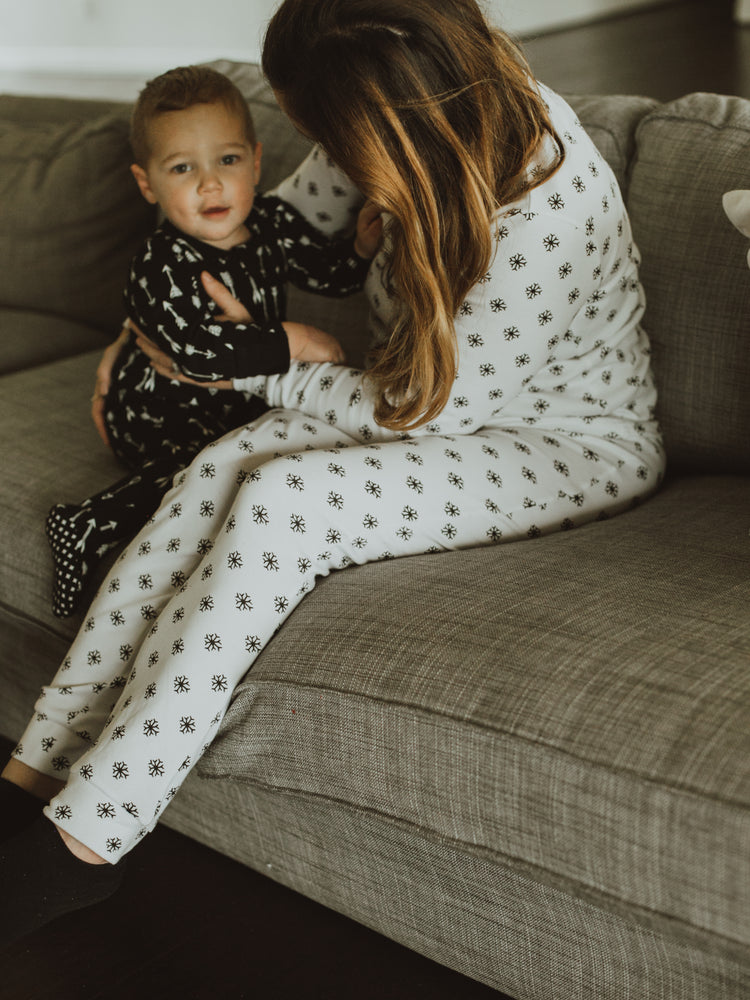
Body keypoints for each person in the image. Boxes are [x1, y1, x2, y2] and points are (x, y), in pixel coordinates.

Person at [0, 0, 665, 943]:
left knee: (285, 498)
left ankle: (87, 842)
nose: (325, 156)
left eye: (324, 135)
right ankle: (32, 768)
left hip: (567, 444)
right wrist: (159, 328)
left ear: (379, 121)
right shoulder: (409, 116)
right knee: (219, 461)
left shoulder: (542, 210)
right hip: (427, 400)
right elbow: (269, 230)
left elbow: (417, 412)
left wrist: (261, 364)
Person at [45, 64, 380, 619]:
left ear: (255, 160)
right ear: (147, 183)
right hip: (153, 408)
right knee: (202, 463)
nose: (210, 183)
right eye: (183, 168)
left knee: (264, 449)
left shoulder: (270, 222)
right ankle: (87, 524)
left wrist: (360, 253)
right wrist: (292, 339)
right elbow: (193, 353)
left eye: (227, 160)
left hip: (230, 399)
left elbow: (328, 274)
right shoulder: (161, 261)